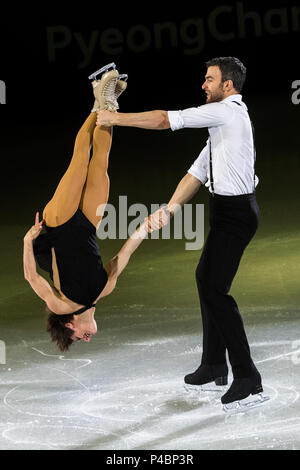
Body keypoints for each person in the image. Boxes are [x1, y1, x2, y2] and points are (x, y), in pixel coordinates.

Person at [95, 57, 264, 408]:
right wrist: (171, 208)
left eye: (209, 80)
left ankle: (248, 378)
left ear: (227, 86)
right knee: (206, 279)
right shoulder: (222, 126)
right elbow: (197, 173)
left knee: (216, 289)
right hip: (226, 212)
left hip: (237, 214)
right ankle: (214, 365)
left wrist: (114, 118)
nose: (204, 85)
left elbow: (165, 120)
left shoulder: (228, 112)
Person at [23, 66, 149, 352]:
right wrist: (143, 228)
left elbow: (32, 277)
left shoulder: (61, 303)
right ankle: (105, 102)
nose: (87, 337)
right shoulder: (105, 289)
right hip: (88, 224)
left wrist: (27, 242)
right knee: (101, 162)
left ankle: (100, 102)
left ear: (69, 325)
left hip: (59, 225)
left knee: (80, 160)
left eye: (80, 337)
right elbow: (123, 255)